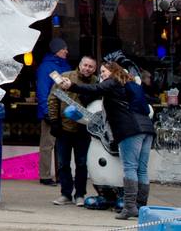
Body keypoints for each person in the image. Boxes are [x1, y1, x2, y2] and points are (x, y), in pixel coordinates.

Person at [61, 61, 155, 220]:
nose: (102, 75)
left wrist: (71, 86)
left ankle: (129, 207)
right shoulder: (129, 83)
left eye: (104, 71)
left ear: (113, 71)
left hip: (130, 129)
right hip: (147, 128)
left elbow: (94, 88)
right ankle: (141, 206)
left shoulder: (113, 82)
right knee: (142, 169)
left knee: (130, 167)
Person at [48, 55, 97, 206]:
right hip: (64, 128)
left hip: (83, 130)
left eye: (90, 67)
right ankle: (65, 193)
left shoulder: (97, 82)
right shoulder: (65, 77)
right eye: (85, 65)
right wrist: (54, 121)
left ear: (94, 69)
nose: (87, 69)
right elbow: (53, 99)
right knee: (63, 163)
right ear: (80, 64)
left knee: (81, 164)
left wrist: (93, 97)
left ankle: (80, 194)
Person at [36, 37, 69, 185]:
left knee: (62, 145)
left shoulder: (66, 66)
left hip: (64, 112)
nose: (66, 51)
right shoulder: (45, 67)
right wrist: (46, 111)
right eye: (63, 49)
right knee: (47, 144)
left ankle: (61, 175)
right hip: (50, 111)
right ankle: (44, 175)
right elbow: (42, 92)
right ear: (56, 50)